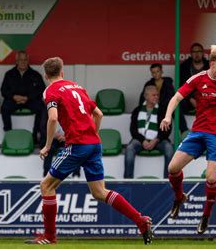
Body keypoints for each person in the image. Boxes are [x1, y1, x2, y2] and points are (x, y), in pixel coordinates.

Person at [24, 57, 153, 245]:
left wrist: (48, 145)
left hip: (77, 144)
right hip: (94, 143)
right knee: (100, 192)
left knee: (46, 186)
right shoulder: (77, 87)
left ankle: (49, 237)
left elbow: (52, 119)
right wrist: (92, 133)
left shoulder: (50, 91)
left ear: (45, 75)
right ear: (62, 72)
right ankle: (140, 221)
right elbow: (98, 113)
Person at [160, 44, 216, 235]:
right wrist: (167, 116)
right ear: (212, 64)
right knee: (172, 168)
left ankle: (205, 216)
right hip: (197, 132)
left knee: (211, 178)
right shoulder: (198, 79)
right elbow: (176, 98)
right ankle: (179, 197)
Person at [0, 50, 47, 145]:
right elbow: (3, 90)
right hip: (14, 101)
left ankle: (35, 135)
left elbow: (42, 90)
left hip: (30, 100)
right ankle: (8, 134)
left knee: (42, 108)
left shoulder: (35, 74)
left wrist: (28, 98)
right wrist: (13, 97)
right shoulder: (9, 74)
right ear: (16, 61)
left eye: (25, 60)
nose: (23, 62)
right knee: (4, 107)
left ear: (28, 60)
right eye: (21, 60)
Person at [127, 85, 173, 178]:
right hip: (140, 141)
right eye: (153, 95)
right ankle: (128, 181)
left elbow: (167, 130)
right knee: (129, 148)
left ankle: (168, 181)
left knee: (169, 148)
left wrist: (156, 140)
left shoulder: (162, 110)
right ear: (146, 96)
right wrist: (143, 140)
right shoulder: (137, 110)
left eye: (157, 95)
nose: (156, 97)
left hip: (158, 141)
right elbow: (133, 130)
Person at [138, 63, 188, 134]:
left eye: (157, 71)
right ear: (151, 74)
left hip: (165, 107)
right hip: (153, 108)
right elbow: (143, 98)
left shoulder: (168, 83)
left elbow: (170, 97)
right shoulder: (148, 84)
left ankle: (184, 131)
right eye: (153, 72)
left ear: (161, 72)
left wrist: (162, 105)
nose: (156, 74)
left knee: (176, 107)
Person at [178, 42, 210, 125]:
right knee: (177, 103)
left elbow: (213, 84)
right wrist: (190, 99)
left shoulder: (210, 66)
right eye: (194, 52)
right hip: (189, 100)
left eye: (199, 51)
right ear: (191, 54)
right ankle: (184, 131)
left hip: (206, 98)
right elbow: (182, 85)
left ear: (203, 53)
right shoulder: (184, 67)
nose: (197, 54)